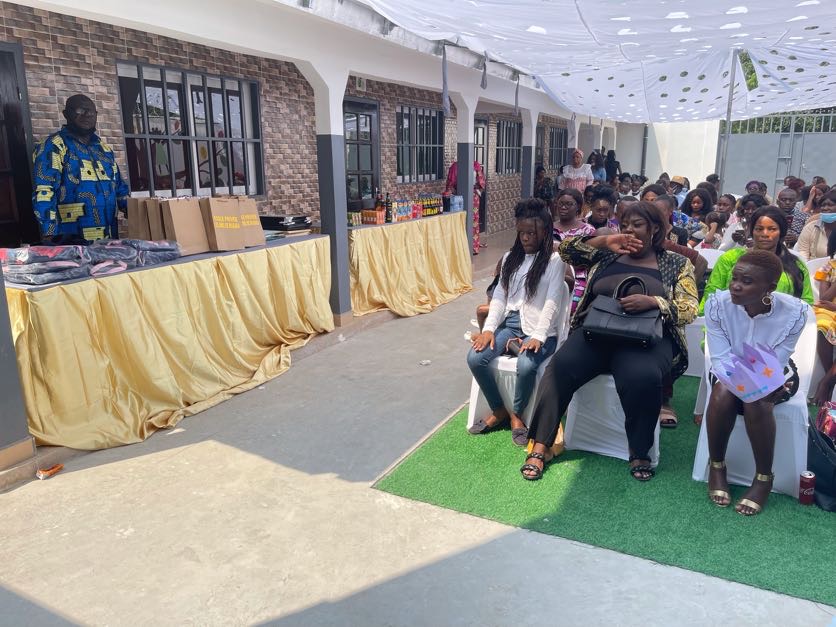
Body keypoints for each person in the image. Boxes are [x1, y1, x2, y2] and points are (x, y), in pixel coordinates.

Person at [520, 202, 698, 481]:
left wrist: (654, 302)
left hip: (646, 340)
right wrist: (604, 241)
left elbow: (690, 308)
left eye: (637, 225)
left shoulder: (676, 263)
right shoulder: (607, 254)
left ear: (654, 228)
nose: (629, 231)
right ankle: (540, 445)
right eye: (624, 225)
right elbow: (565, 250)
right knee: (560, 367)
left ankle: (639, 451)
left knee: (642, 377)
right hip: (596, 333)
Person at [704, 249, 809, 515]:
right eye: (735, 278)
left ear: (769, 288)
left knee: (757, 399)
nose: (735, 286)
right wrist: (745, 385)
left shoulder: (794, 312)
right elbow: (720, 357)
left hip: (774, 371)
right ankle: (716, 467)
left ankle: (763, 478)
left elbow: (779, 359)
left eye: (747, 281)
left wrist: (759, 385)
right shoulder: (717, 305)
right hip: (728, 368)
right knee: (724, 392)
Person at [467, 199, 566, 447]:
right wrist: (489, 330)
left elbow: (553, 301)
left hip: (541, 329)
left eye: (531, 232)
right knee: (475, 358)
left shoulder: (555, 261)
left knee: (526, 364)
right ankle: (499, 409)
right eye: (521, 232)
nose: (525, 237)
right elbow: (500, 297)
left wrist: (539, 336)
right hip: (510, 323)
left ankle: (517, 415)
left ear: (545, 230)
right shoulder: (510, 257)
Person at [32, 94, 129, 242]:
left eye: (91, 111)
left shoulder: (104, 150)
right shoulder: (54, 146)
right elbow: (44, 191)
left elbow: (120, 189)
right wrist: (49, 232)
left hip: (108, 239)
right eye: (80, 110)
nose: (87, 114)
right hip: (71, 241)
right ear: (66, 114)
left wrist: (137, 212)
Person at [700, 206, 814, 315]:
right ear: (752, 231)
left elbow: (806, 302)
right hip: (731, 320)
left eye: (772, 229)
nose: (765, 234)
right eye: (759, 229)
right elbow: (712, 294)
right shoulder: (730, 258)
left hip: (781, 324)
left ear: (781, 232)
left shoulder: (795, 265)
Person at [552, 188, 596, 313]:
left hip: (579, 279)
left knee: (570, 310)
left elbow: (590, 258)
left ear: (578, 207)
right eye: (561, 203)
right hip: (550, 275)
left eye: (569, 204)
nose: (563, 207)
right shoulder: (547, 227)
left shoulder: (587, 230)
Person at [812, 230, 836, 405]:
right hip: (829, 309)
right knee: (821, 323)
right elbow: (824, 299)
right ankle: (831, 376)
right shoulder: (829, 267)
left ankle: (826, 382)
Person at [445, 160, 486, 255]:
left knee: (472, 220)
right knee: (461, 220)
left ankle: (472, 247)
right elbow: (450, 183)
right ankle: (461, 247)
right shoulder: (456, 166)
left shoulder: (475, 165)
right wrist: (454, 193)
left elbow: (481, 182)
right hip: (459, 196)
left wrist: (477, 192)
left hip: (471, 196)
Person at [796, 190, 836, 261]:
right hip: (814, 267)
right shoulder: (811, 227)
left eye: (830, 205)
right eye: (823, 205)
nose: (825, 208)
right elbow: (803, 252)